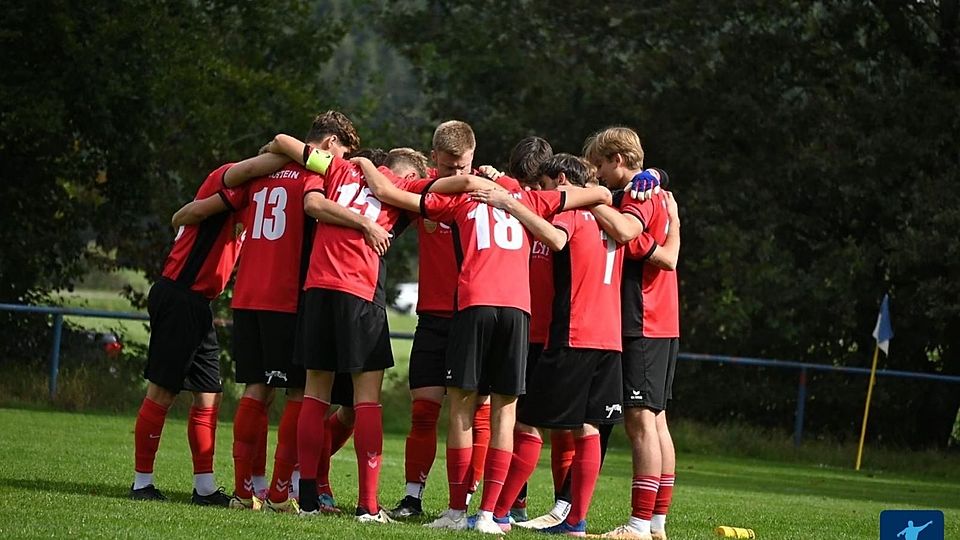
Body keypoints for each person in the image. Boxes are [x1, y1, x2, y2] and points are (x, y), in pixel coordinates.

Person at [354, 156, 612, 534]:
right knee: (505, 413)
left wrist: (364, 163)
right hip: (517, 311)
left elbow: (391, 193)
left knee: (460, 407)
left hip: (474, 302)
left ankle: (457, 512)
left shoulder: (463, 200)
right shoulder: (531, 198)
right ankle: (492, 516)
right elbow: (600, 191)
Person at [129, 151, 288, 505]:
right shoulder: (227, 182)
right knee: (162, 391)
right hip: (180, 295)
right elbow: (244, 172)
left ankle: (203, 488)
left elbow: (185, 217)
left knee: (208, 394)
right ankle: (142, 483)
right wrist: (294, 157)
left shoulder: (246, 204)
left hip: (200, 304)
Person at [387, 121, 499, 520]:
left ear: (474, 159)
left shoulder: (487, 190)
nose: (457, 175)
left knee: (477, 412)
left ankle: (467, 498)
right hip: (433, 316)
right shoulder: (424, 192)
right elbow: (388, 189)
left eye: (463, 167)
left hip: (475, 315)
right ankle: (412, 498)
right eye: (449, 168)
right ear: (434, 159)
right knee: (423, 410)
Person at [584, 127, 681, 540]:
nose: (600, 173)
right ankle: (656, 522)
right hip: (663, 321)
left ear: (618, 160)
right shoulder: (655, 191)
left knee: (640, 420)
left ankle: (639, 524)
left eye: (602, 165)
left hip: (642, 319)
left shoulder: (638, 196)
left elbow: (626, 232)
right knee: (657, 421)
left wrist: (592, 199)